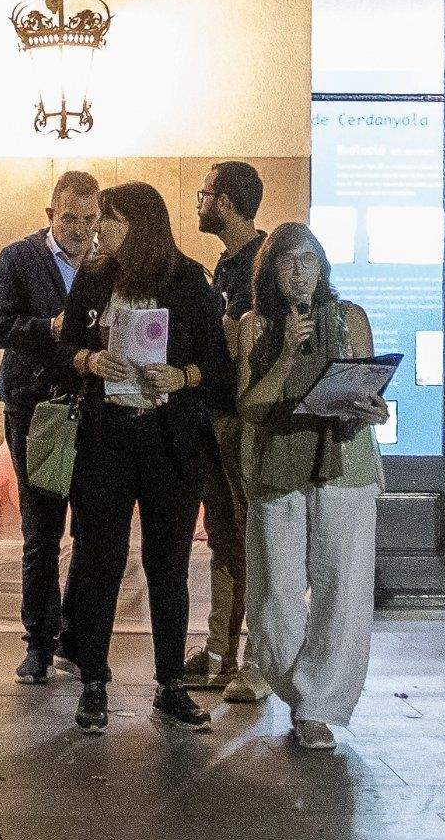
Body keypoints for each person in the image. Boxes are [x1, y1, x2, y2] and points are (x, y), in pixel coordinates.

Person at [51, 177, 234, 735]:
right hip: (106, 440)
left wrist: (180, 375)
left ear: (141, 225)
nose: (100, 228)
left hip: (170, 443)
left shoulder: (189, 282)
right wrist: (86, 359)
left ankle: (170, 685)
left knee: (169, 566)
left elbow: (219, 369)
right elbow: (58, 352)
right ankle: (94, 683)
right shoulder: (93, 278)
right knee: (100, 561)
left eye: (111, 218)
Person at [233, 221, 385, 751]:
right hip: (278, 463)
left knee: (343, 585)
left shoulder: (349, 319)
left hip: (344, 459)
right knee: (275, 591)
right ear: (270, 272)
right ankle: (295, 686)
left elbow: (365, 386)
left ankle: (317, 706)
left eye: (308, 260)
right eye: (287, 262)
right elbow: (249, 405)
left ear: (322, 265)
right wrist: (286, 357)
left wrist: (374, 409)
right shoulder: (254, 326)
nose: (299, 273)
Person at [0, 169, 103, 687]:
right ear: (51, 214)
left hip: (95, 411)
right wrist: (46, 327)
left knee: (93, 531)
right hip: (37, 410)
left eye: (90, 220)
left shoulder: (105, 265)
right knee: (42, 531)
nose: (80, 229)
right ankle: (39, 645)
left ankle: (74, 637)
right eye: (70, 218)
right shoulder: (19, 258)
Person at [189, 159, 268, 702]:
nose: (197, 202)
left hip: (244, 418)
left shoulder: (262, 262)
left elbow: (247, 342)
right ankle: (219, 647)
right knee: (221, 531)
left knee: (248, 534)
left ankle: (254, 658)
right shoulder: (226, 262)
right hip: (217, 414)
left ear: (225, 200)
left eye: (204, 193)